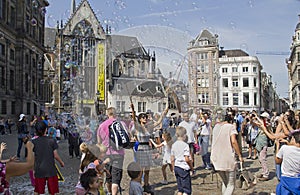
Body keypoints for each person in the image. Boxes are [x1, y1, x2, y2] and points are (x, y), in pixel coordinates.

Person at [130, 103, 168, 193]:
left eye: (146, 117)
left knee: (147, 169)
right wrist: (132, 109)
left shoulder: (149, 127)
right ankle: (139, 185)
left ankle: (146, 185)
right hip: (141, 148)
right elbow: (134, 118)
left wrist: (164, 113)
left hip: (147, 148)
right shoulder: (137, 127)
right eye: (143, 117)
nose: (145, 118)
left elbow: (158, 122)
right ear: (140, 119)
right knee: (141, 170)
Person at [210, 113, 243, 195]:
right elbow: (234, 142)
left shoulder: (216, 127)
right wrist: (239, 155)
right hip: (227, 157)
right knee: (231, 184)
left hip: (216, 157)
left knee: (225, 182)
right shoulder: (230, 127)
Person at [97, 107, 125, 195]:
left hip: (107, 153)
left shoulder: (101, 126)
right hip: (119, 153)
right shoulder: (121, 124)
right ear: (115, 113)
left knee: (109, 176)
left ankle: (109, 192)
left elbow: (99, 142)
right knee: (116, 178)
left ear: (107, 114)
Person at [32, 121, 64, 195]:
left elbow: (33, 157)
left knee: (37, 190)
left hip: (39, 169)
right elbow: (55, 155)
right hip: (50, 169)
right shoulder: (52, 140)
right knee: (53, 191)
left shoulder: (34, 142)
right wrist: (61, 162)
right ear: (46, 130)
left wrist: (33, 169)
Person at [275, 130, 300, 195]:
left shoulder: (284, 148)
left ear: (294, 139)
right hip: (297, 180)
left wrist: (277, 146)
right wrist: (286, 142)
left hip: (286, 178)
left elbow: (277, 161)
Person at [171, 126, 193, 195]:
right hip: (184, 168)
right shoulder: (185, 145)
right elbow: (187, 159)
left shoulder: (174, 145)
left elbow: (172, 159)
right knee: (187, 190)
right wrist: (192, 168)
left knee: (180, 189)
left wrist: (173, 168)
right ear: (184, 135)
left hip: (177, 167)